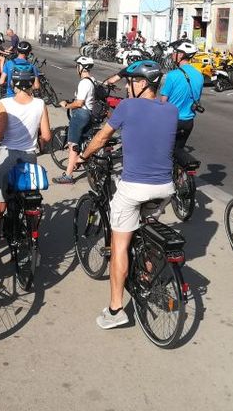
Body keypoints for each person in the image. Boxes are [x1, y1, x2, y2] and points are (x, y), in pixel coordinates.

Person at [76, 60, 178, 330]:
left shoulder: (127, 106)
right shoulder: (171, 110)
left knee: (120, 244)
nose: (126, 85)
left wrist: (82, 157)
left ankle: (115, 309)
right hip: (165, 188)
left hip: (135, 187)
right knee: (143, 225)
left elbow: (101, 138)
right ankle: (146, 272)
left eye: (131, 81)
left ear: (143, 84)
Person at [0, 67, 51, 272]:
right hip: (29, 158)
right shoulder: (40, 104)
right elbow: (45, 136)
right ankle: (31, 241)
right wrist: (38, 143)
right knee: (31, 200)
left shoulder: (5, 103)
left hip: (8, 156)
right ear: (31, 83)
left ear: (13, 83)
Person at [53, 55, 96, 185]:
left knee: (73, 145)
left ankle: (68, 175)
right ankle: (81, 161)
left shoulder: (84, 83)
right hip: (89, 113)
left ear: (81, 68)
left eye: (77, 66)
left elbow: (79, 103)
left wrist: (66, 105)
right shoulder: (92, 80)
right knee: (84, 141)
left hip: (80, 115)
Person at [160, 40, 204, 153]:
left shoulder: (172, 75)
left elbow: (163, 101)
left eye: (175, 52)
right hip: (188, 121)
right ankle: (179, 170)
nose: (173, 55)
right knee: (179, 150)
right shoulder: (199, 75)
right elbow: (197, 98)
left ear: (181, 55)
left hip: (171, 120)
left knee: (164, 152)